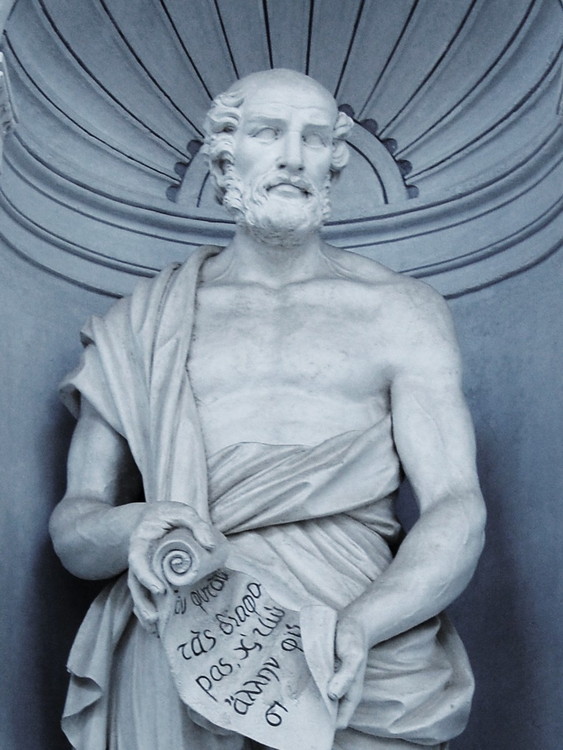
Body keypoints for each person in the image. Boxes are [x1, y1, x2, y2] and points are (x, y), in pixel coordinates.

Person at [49, 69, 486, 750]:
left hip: (354, 641)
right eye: (268, 133)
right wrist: (135, 526)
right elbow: (76, 527)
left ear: (334, 160)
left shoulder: (401, 312)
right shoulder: (140, 325)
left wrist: (361, 624)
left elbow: (456, 506)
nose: (292, 157)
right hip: (183, 638)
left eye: (313, 139)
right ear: (224, 157)